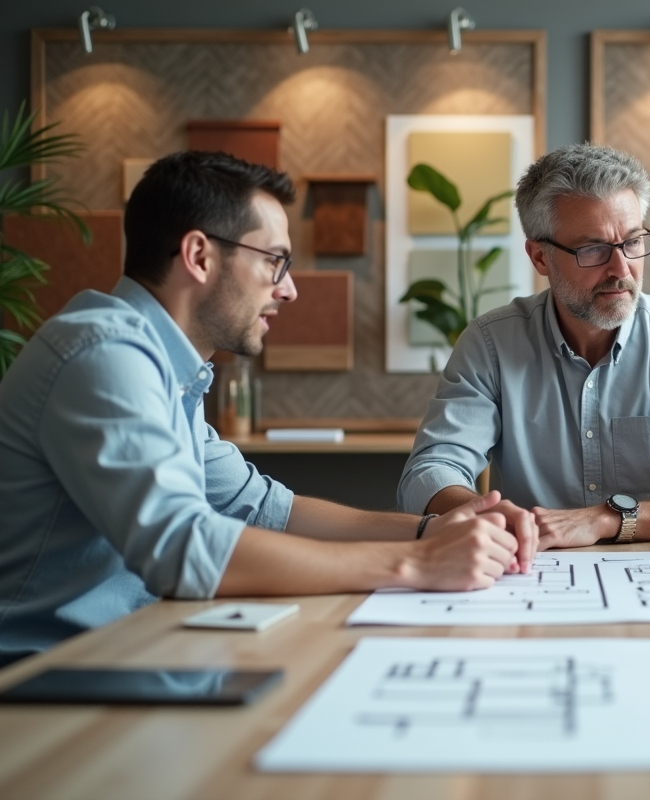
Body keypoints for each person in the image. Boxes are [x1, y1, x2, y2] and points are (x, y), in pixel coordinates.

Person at [0, 151, 532, 666]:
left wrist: (430, 530)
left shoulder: (166, 370)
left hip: (127, 654)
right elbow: (185, 549)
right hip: (42, 679)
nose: (291, 290)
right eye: (275, 261)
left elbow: (262, 508)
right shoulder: (103, 355)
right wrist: (416, 563)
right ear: (199, 256)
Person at [399, 143, 650, 548]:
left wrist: (609, 519)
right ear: (540, 258)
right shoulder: (490, 344)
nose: (621, 270)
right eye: (593, 249)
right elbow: (430, 472)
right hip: (529, 568)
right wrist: (493, 518)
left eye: (633, 243)